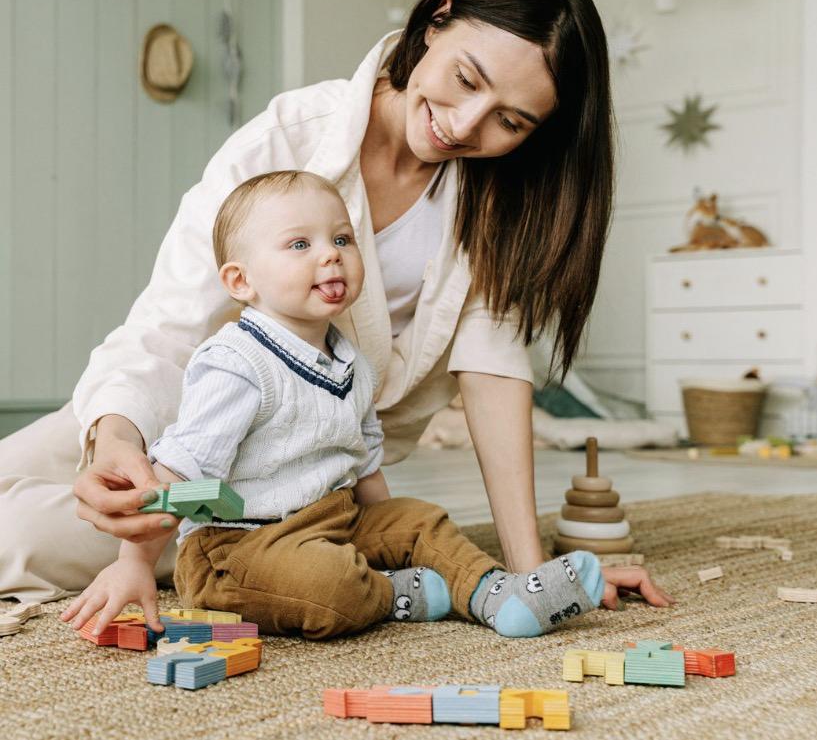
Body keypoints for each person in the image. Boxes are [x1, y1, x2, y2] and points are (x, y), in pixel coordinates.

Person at [1, 0, 671, 610]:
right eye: (466, 79)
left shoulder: (500, 203)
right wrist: (115, 439)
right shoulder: (287, 140)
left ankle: (262, 549)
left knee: (17, 536)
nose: (466, 124)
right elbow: (167, 324)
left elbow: (492, 372)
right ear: (437, 19)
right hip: (174, 406)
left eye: (510, 120)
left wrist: (530, 573)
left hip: (282, 475)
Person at [60, 171, 657, 640]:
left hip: (333, 518)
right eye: (301, 244)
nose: (332, 255)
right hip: (239, 549)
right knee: (329, 586)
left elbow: (363, 463)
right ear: (241, 281)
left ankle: (501, 594)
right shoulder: (236, 363)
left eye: (342, 239)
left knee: (423, 521)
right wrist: (134, 562)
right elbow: (180, 475)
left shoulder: (351, 360)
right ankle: (399, 593)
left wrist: (388, 532)